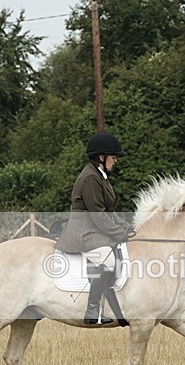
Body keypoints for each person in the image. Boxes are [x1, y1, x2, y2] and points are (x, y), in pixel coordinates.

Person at [56, 132, 135, 325]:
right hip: (83, 231)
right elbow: (97, 215)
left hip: (93, 229)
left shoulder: (100, 175)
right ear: (101, 157)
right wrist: (119, 234)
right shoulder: (91, 178)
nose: (116, 161)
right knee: (108, 261)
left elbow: (108, 210)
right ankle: (92, 310)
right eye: (113, 157)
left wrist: (126, 227)